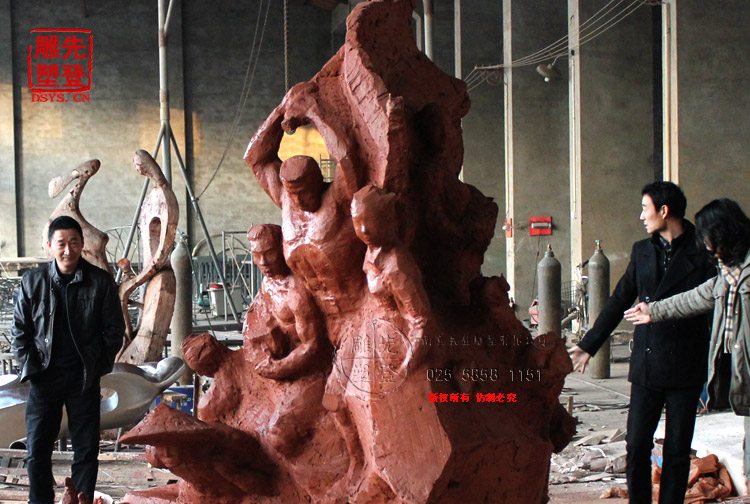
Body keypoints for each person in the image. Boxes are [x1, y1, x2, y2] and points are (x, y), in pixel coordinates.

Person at [568, 182, 715, 504]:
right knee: (636, 445)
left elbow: (711, 306)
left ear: (664, 211)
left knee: (677, 449)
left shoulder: (702, 252)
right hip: (647, 363)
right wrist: (588, 345)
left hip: (686, 362)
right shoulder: (642, 251)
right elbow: (619, 299)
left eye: (645, 208)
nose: (641, 216)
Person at [624, 198, 750, 485]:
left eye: (707, 235)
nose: (704, 243)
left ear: (722, 233)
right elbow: (696, 297)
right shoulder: (727, 274)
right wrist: (653, 311)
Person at [11, 216, 124, 504]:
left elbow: (114, 331)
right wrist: (32, 370)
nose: (68, 250)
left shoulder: (99, 282)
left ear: (82, 244)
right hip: (44, 377)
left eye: (74, 242)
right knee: (37, 449)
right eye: (61, 243)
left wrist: (96, 367)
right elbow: (20, 332)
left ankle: (81, 500)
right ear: (49, 246)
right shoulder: (32, 282)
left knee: (85, 449)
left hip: (82, 378)